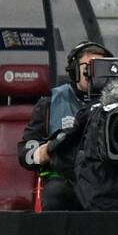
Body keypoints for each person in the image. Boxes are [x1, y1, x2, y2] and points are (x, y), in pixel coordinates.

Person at [17, 40, 110, 210]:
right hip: (65, 181)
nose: (95, 74)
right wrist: (46, 151)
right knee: (56, 194)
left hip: (108, 180)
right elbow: (26, 154)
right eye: (89, 68)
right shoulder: (50, 103)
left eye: (101, 68)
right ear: (74, 71)